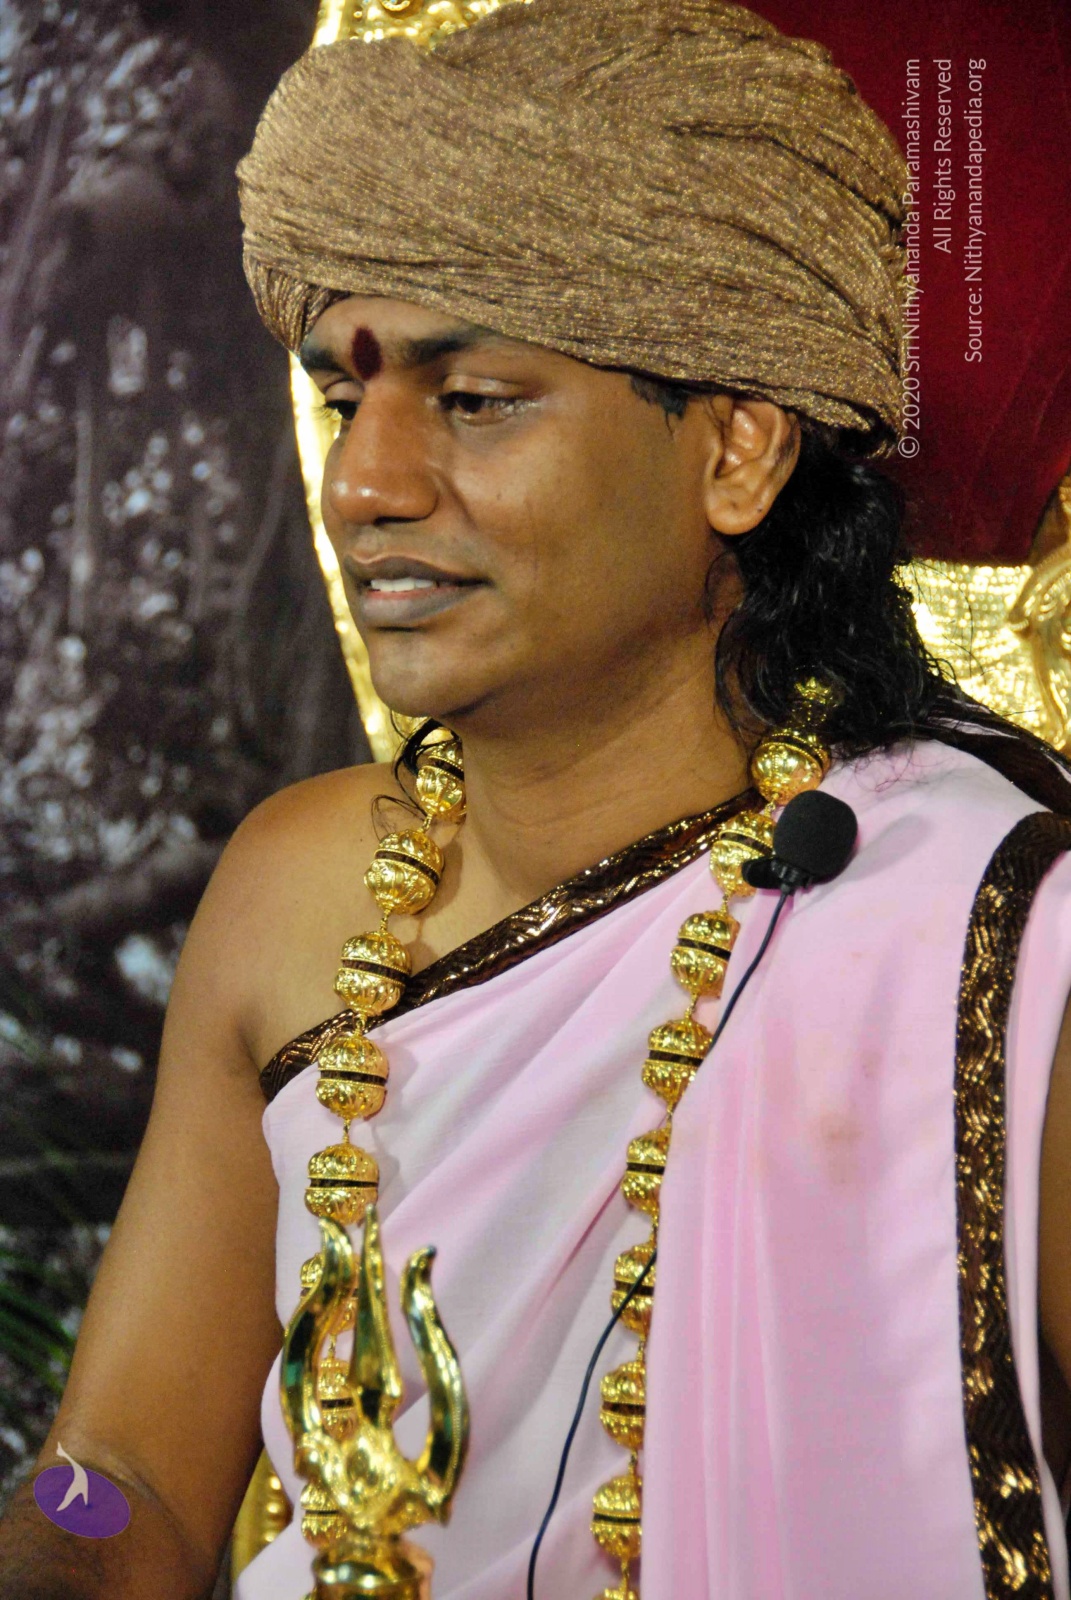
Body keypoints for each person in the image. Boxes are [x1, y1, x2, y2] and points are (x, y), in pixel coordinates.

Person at [2, 1, 1071, 1597]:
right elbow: (124, 1475)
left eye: (474, 399)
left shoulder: (991, 931)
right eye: (341, 399)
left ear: (737, 452)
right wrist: (55, 1547)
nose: (364, 485)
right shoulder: (299, 892)